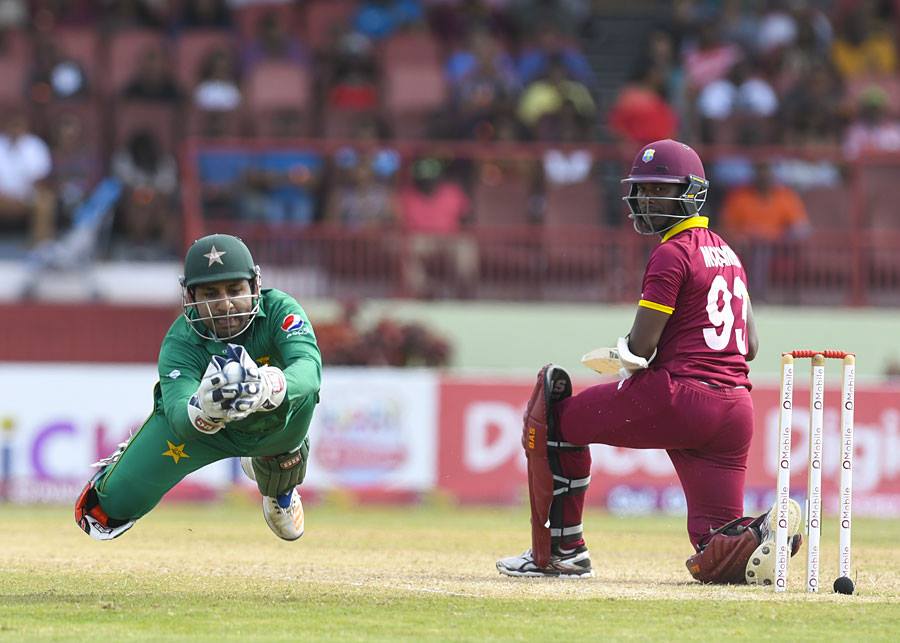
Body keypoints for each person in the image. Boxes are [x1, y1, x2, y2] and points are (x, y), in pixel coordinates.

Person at [496, 139, 802, 584]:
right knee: (713, 543)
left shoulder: (672, 253)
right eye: (642, 189)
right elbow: (750, 346)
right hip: (735, 409)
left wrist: (621, 357)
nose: (645, 199)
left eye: (659, 189)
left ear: (691, 192)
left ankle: (560, 553)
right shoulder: (729, 253)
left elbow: (641, 346)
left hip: (679, 396)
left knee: (554, 418)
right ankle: (760, 534)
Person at [74, 233, 322, 542]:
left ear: (255, 287)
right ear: (190, 298)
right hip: (203, 432)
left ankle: (279, 485)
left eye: (234, 290)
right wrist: (205, 410)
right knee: (106, 510)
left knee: (303, 396)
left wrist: (267, 385)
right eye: (210, 294)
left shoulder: (280, 310)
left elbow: (309, 370)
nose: (225, 304)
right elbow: (179, 414)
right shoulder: (181, 341)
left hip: (273, 422)